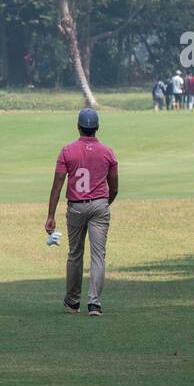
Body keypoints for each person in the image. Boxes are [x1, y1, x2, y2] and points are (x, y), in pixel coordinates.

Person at [46, 108, 118, 316]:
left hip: (76, 207)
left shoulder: (67, 151)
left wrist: (51, 215)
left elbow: (57, 186)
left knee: (75, 255)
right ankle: (94, 303)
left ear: (78, 127)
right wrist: (105, 203)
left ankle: (73, 301)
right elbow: (114, 187)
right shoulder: (107, 152)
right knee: (98, 256)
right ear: (97, 127)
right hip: (100, 205)